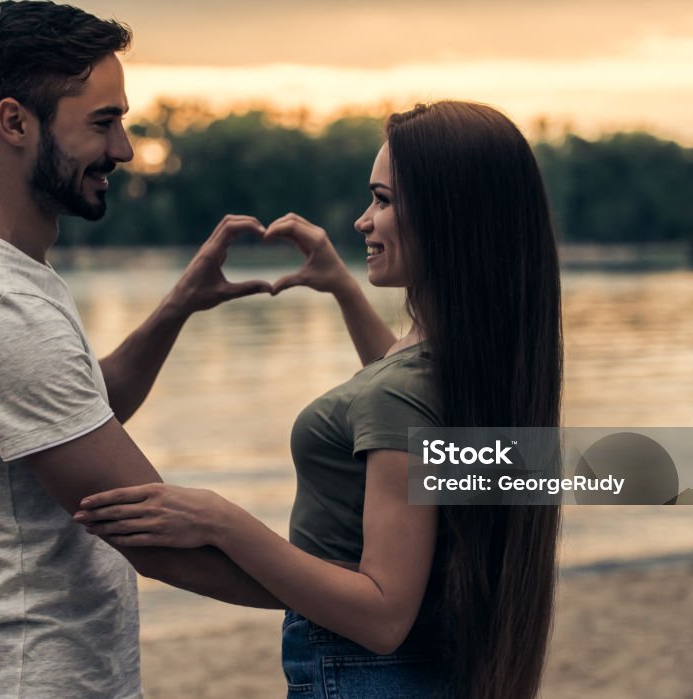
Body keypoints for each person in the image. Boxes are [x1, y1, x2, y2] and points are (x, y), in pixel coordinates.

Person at [76, 101, 564, 699]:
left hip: (362, 676)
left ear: (445, 216)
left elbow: (383, 616)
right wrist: (340, 287)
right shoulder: (469, 361)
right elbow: (397, 400)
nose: (363, 221)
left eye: (382, 200)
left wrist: (220, 520)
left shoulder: (407, 390)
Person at [0, 2, 282, 698]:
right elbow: (149, 531)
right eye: (103, 123)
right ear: (15, 122)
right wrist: (350, 597)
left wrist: (177, 307)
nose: (125, 150)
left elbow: (75, 414)